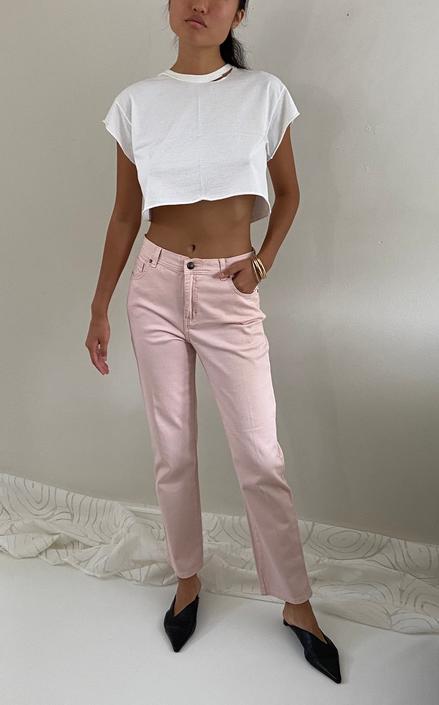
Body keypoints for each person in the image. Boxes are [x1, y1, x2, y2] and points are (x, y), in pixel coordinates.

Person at [86, 0, 341, 683]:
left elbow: (288, 194)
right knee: (172, 451)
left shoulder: (264, 94)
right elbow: (124, 213)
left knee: (260, 454)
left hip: (231, 289)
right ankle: (187, 577)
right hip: (154, 286)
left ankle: (295, 601)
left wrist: (262, 264)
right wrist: (99, 305)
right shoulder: (135, 103)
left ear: (239, 12)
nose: (199, 4)